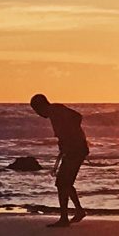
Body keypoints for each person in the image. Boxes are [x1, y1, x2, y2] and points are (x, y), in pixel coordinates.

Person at [30, 94, 88, 228]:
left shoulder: (56, 110)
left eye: (36, 110)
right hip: (73, 150)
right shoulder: (53, 113)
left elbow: (77, 117)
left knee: (62, 183)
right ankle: (78, 211)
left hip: (76, 150)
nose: (38, 114)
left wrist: (70, 136)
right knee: (65, 182)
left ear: (40, 107)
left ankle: (65, 218)